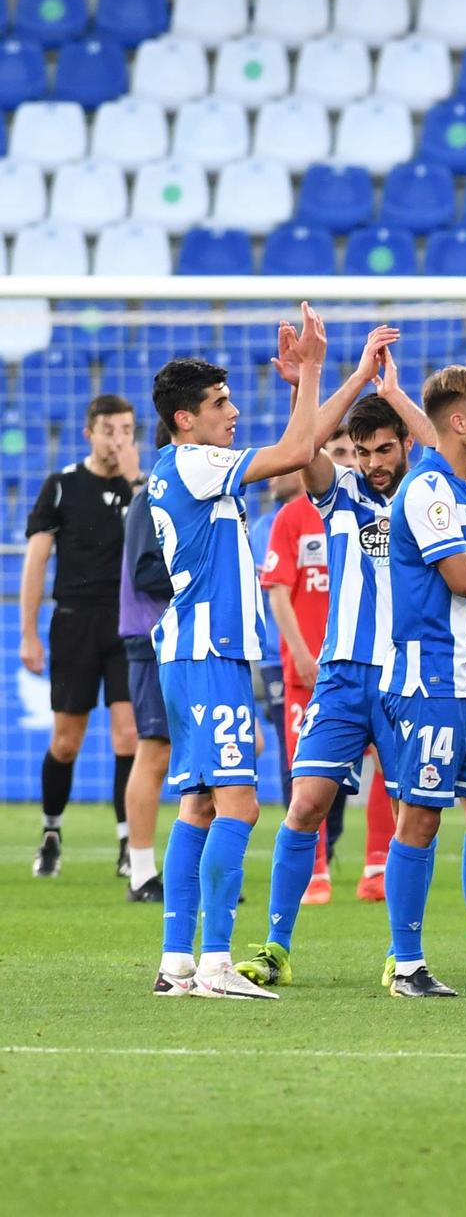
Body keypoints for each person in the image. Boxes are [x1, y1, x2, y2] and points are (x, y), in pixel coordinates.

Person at [234, 343, 436, 991]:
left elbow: (447, 447)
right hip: (345, 676)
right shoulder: (338, 494)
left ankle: (404, 955)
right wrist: (348, 378)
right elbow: (304, 447)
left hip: (413, 676)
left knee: (412, 813)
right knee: (305, 802)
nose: (372, 463)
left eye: (384, 449)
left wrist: (399, 394)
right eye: (362, 450)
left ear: (403, 445)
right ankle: (275, 945)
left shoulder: (431, 492)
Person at [148, 304, 330, 999]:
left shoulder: (179, 465)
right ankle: (219, 962)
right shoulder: (195, 462)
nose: (232, 411)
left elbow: (298, 445)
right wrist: (310, 371)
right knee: (241, 805)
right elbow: (293, 454)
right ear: (185, 418)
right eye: (220, 403)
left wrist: (304, 389)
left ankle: (178, 962)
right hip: (210, 651)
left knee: (198, 807)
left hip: (192, 653)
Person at [381, 364, 466, 999]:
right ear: (459, 422)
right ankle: (406, 963)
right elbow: (462, 577)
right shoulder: (428, 489)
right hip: (430, 678)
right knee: (422, 818)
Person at [22, 392, 141, 882]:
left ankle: (129, 842)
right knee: (67, 741)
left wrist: (136, 482)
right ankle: (51, 831)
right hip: (74, 621)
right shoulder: (62, 486)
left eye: (128, 430)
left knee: (129, 735)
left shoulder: (146, 488)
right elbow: (36, 561)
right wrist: (28, 633)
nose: (119, 440)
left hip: (129, 622)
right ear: (88, 433)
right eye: (110, 430)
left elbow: (158, 540)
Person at [261, 456, 332, 903]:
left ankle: (379, 866)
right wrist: (301, 653)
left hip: (358, 665)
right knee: (303, 772)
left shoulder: (362, 512)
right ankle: (314, 870)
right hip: (295, 666)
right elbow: (276, 591)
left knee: (388, 770)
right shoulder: (286, 519)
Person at [118, 419, 176, 902]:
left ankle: (193, 870)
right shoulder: (149, 497)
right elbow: (145, 569)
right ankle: (140, 873)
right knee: (153, 750)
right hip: (151, 636)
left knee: (198, 757)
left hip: (186, 640)